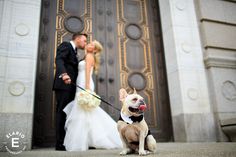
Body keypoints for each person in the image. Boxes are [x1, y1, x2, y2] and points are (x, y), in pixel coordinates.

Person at [63, 40, 122, 151]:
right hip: (82, 81)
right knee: (86, 112)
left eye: (92, 45)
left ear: (94, 49)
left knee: (84, 110)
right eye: (89, 43)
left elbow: (87, 72)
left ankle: (82, 142)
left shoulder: (90, 56)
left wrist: (86, 88)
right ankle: (88, 140)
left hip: (85, 83)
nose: (89, 44)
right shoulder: (86, 55)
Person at [53, 33, 87, 150]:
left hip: (71, 87)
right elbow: (59, 59)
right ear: (77, 39)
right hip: (64, 85)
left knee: (68, 114)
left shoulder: (75, 51)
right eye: (84, 40)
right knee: (61, 112)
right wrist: (64, 74)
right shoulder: (66, 45)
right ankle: (59, 143)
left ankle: (67, 141)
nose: (85, 43)